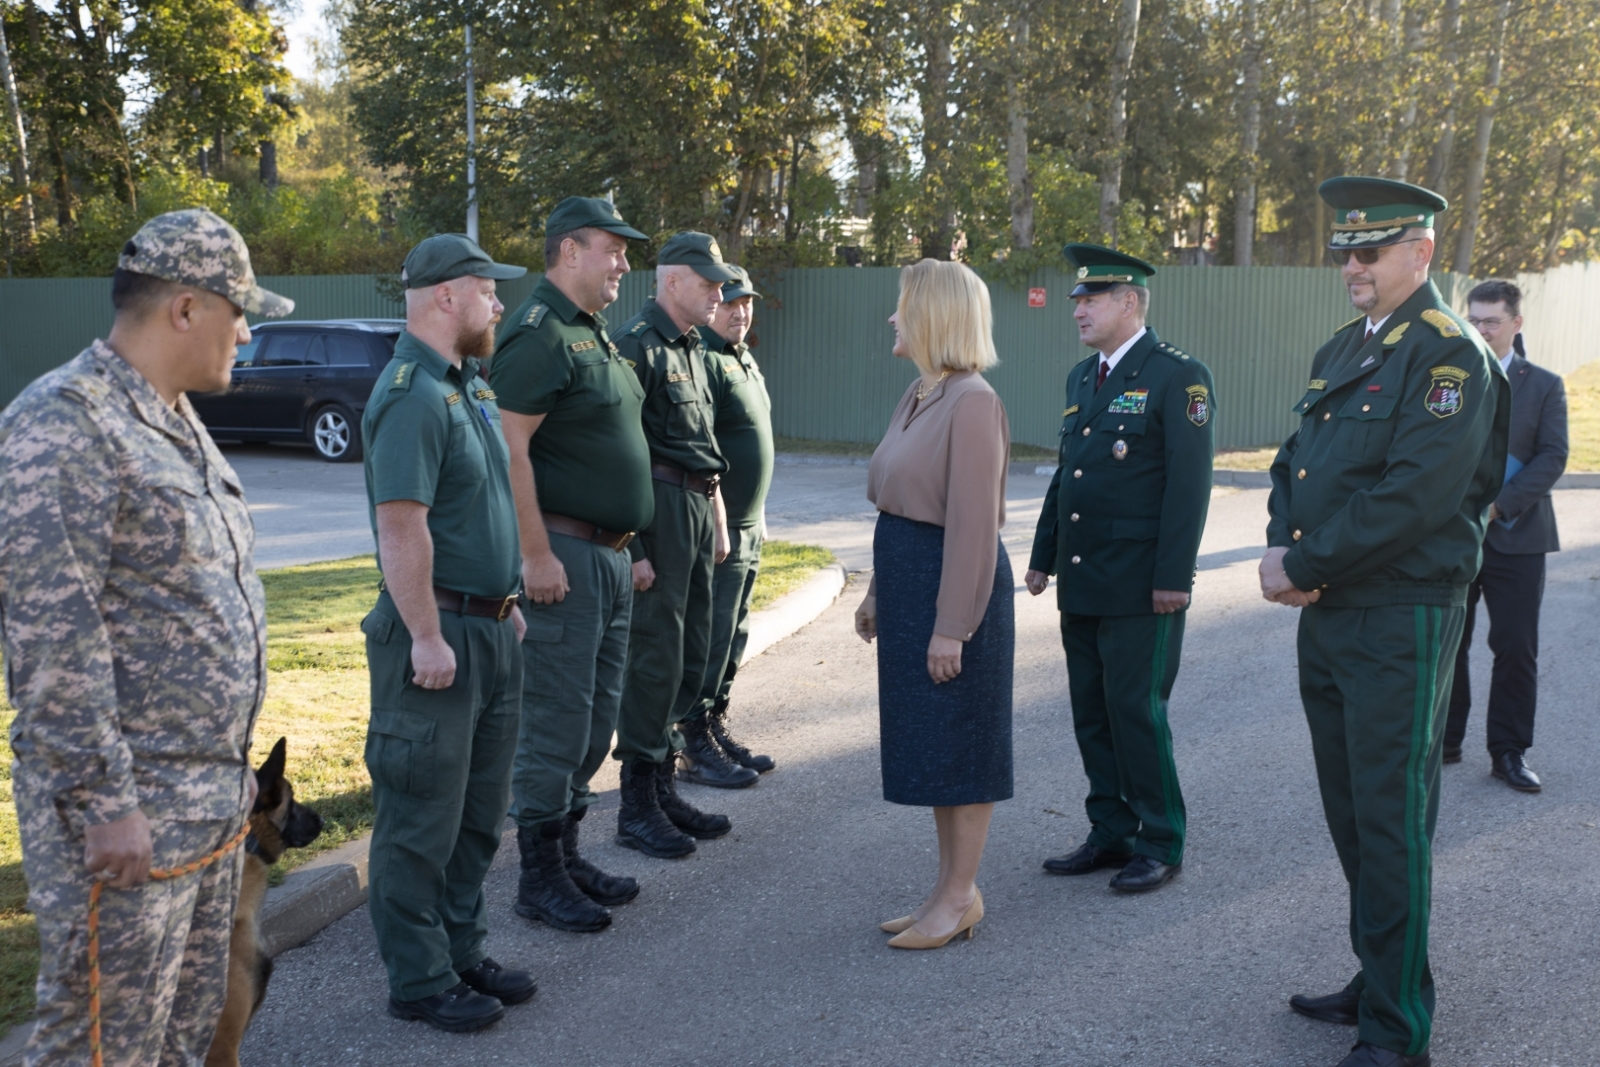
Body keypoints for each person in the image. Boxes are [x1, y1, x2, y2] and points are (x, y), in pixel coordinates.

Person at [0, 208, 286, 1065]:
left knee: (182, 1041)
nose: (247, 329)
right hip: (130, 821)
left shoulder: (177, 419)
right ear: (186, 309)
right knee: (100, 1045)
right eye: (239, 310)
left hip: (207, 811)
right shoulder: (66, 423)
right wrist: (105, 803)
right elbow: (53, 636)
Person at [1260, 177, 1508, 1067]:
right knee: (1352, 812)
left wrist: (1304, 564)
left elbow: (1415, 496)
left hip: (1400, 612)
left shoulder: (1448, 356)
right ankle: (1381, 974)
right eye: (1344, 250)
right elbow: (1297, 462)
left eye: (1372, 249)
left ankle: (1399, 1030)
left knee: (1392, 816)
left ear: (1423, 253)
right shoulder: (1345, 347)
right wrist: (1279, 545)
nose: (1353, 264)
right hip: (1332, 613)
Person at [361, 233, 537, 1033]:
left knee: (475, 812)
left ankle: (463, 949)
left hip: (490, 628)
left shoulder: (468, 386)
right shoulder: (411, 394)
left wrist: (507, 598)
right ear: (445, 297)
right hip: (438, 637)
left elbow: (479, 509)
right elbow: (402, 528)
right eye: (487, 290)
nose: (499, 303)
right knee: (421, 816)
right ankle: (419, 976)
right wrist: (427, 633)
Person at [1025, 243, 1215, 895]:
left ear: (1129, 302)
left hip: (1141, 583)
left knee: (1136, 711)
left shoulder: (1176, 377)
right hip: (1084, 576)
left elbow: (1188, 488)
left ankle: (1160, 839)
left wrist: (1174, 577)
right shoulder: (1083, 379)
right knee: (1092, 712)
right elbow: (1067, 474)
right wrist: (1043, 555)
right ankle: (1111, 830)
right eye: (1077, 299)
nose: (1077, 309)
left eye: (1091, 298)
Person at [489, 197, 652, 933]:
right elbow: (509, 448)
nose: (623, 264)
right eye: (612, 250)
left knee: (593, 722)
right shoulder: (537, 335)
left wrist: (633, 548)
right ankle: (538, 874)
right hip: (564, 557)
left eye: (625, 252)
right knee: (554, 722)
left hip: (609, 557)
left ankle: (570, 850)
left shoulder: (593, 334)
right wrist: (533, 553)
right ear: (568, 252)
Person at [854, 258, 1013, 951]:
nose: (893, 316)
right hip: (912, 579)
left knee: (965, 745)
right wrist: (876, 590)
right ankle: (949, 889)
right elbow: (896, 500)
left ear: (936, 316)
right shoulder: (922, 393)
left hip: (956, 587)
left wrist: (954, 627)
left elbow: (975, 526)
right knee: (936, 748)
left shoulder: (973, 400)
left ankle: (958, 897)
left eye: (903, 305)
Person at [612, 232, 739, 858]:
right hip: (657, 511)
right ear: (671, 281)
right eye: (709, 282)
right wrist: (633, 545)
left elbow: (700, 441)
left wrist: (715, 510)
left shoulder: (691, 347)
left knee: (689, 651)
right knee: (654, 655)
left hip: (692, 503)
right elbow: (621, 451)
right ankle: (636, 804)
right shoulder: (636, 345)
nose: (719, 292)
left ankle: (662, 785)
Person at [1445, 279, 1567, 792]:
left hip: (1519, 538)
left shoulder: (1544, 384)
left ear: (1516, 324)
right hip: (1453, 537)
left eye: (1491, 320)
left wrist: (1500, 505)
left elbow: (1553, 457)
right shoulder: (1449, 378)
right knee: (1448, 644)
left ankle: (1509, 752)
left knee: (1516, 648)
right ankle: (1444, 740)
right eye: (1473, 319)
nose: (1480, 328)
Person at [678, 265, 777, 787]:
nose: (740, 311)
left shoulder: (742, 357)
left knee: (733, 633)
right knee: (710, 636)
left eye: (747, 303)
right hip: (721, 530)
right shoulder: (706, 361)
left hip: (751, 524)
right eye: (731, 302)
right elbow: (702, 446)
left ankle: (714, 723)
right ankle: (692, 743)